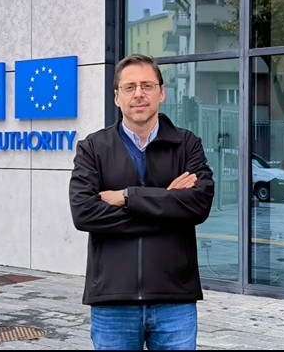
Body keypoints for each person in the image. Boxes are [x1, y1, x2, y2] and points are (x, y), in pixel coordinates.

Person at [69, 54, 215, 350]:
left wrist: (126, 197)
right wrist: (168, 205)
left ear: (161, 93)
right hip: (112, 300)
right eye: (129, 87)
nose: (138, 94)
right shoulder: (93, 148)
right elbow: (84, 213)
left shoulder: (187, 144)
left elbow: (198, 205)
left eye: (147, 85)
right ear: (117, 97)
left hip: (174, 300)